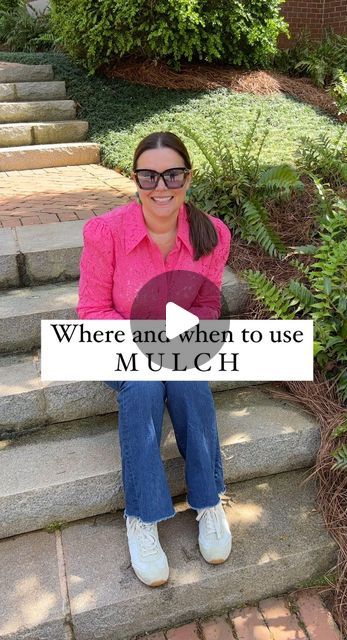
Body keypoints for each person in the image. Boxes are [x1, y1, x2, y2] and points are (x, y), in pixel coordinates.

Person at [77, 131, 232, 588]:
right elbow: (91, 312)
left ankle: (208, 502)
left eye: (172, 174)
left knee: (187, 383)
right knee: (144, 386)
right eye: (149, 175)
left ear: (188, 177)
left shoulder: (212, 234)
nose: (160, 186)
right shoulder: (105, 233)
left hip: (177, 346)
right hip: (119, 344)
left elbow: (207, 303)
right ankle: (143, 517)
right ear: (135, 179)